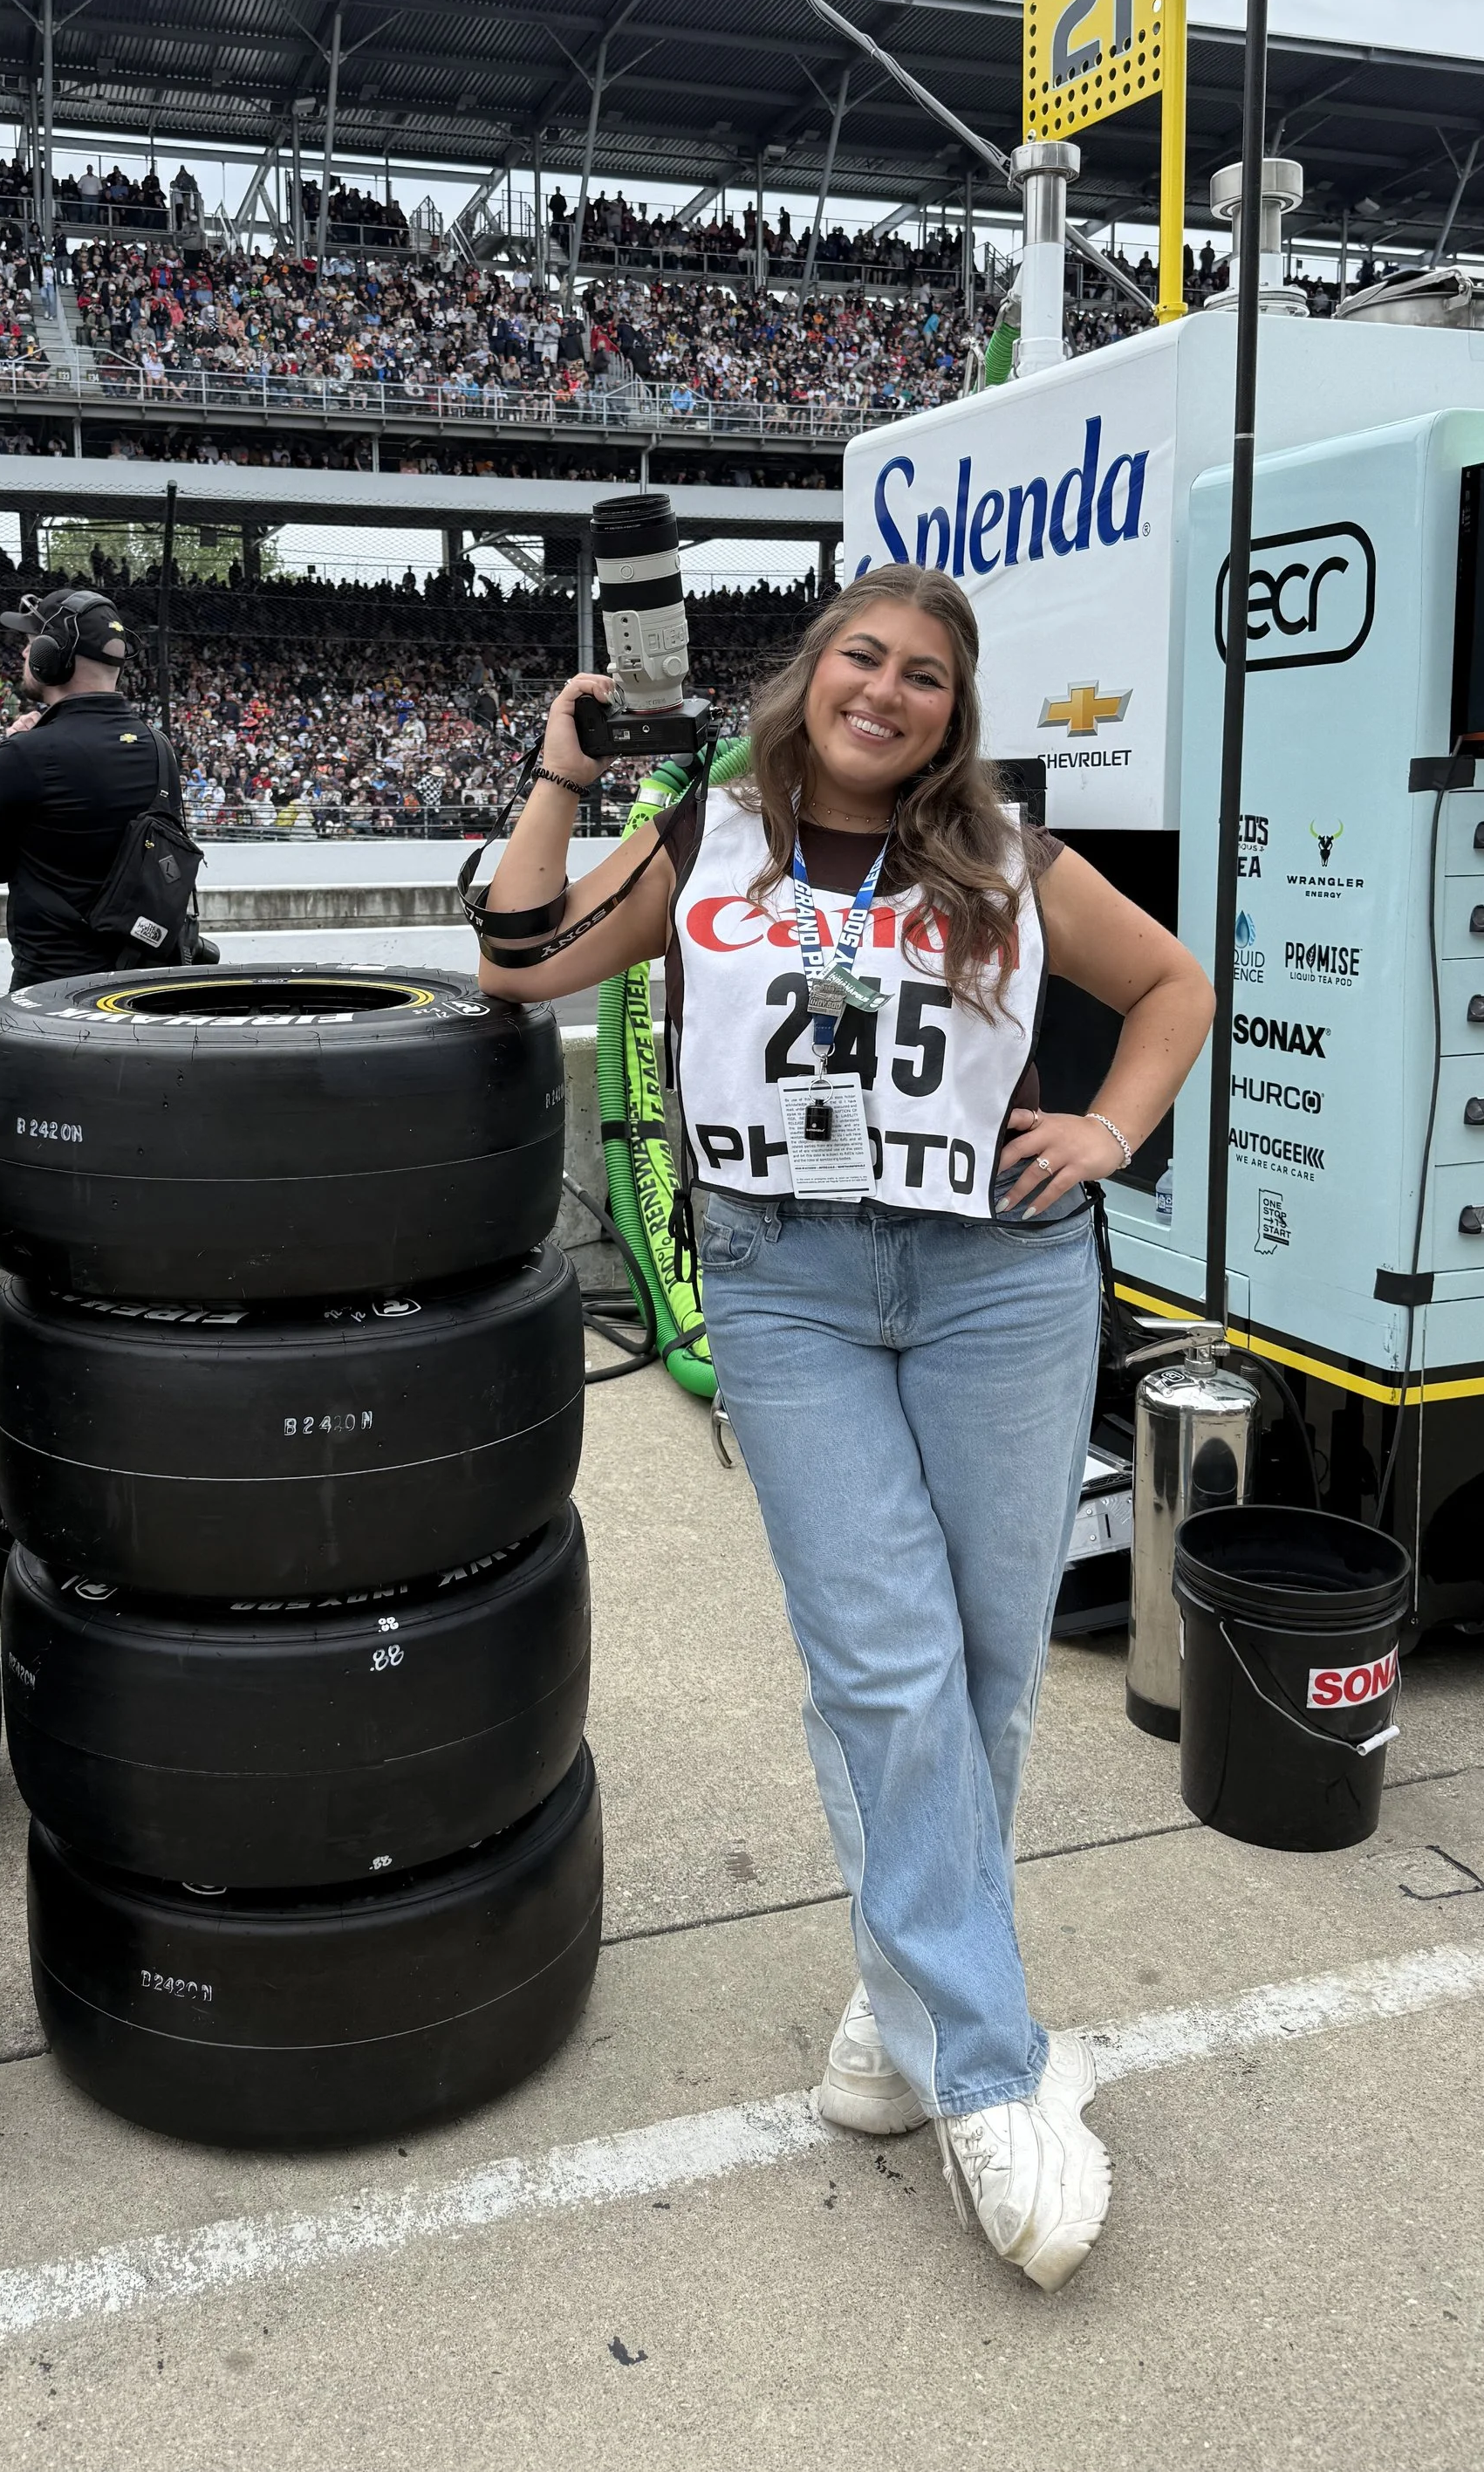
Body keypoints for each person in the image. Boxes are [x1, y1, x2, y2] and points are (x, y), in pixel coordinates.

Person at [475, 563, 1213, 2292]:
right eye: (862, 658)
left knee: (983, 1669)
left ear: (956, 714)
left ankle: (897, 2007)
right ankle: (983, 2062)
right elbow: (513, 966)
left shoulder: (1006, 859)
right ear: (811, 674)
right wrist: (563, 771)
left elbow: (1174, 988)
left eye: (928, 678)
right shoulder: (700, 839)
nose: (888, 692)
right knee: (881, 1661)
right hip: (783, 1281)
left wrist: (1106, 1130)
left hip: (1003, 1280)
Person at [0, 585, 171, 987]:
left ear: (52, 657)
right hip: (143, 981)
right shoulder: (159, 746)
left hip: (54, 991)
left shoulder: (27, 754)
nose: (23, 654)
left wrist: (12, 748)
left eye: (30, 643)